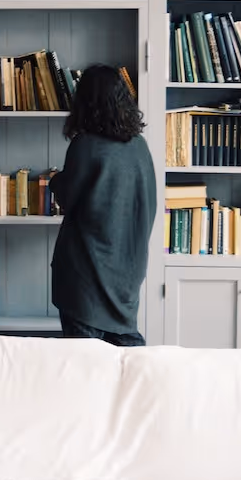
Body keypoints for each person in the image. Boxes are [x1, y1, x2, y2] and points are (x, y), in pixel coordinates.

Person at [49, 64, 155, 346]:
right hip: (128, 272)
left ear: (86, 103)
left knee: (87, 368)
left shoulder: (85, 145)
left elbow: (68, 198)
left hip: (86, 274)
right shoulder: (139, 146)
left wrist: (55, 181)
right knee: (128, 360)